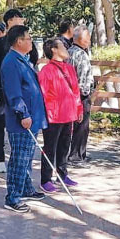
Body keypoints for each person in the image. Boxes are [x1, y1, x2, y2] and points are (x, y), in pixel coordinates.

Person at [0, 9, 39, 173]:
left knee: (22, 122)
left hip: (25, 90)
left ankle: (19, 159)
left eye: (22, 19)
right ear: (9, 21)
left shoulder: (28, 41)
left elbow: (34, 59)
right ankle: (0, 157)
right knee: (0, 121)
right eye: (18, 19)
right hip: (3, 90)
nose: (21, 21)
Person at [1, 25, 47, 213]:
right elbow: (14, 93)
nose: (31, 42)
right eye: (28, 38)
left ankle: (26, 187)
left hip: (32, 117)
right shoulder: (11, 62)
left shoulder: (23, 59)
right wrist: (23, 114)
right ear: (19, 41)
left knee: (27, 156)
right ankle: (12, 197)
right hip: (22, 120)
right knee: (19, 158)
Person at [38, 38, 83, 193]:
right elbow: (42, 95)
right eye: (63, 46)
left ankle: (62, 174)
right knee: (50, 147)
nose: (66, 48)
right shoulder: (46, 70)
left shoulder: (70, 68)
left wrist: (78, 109)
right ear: (54, 50)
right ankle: (45, 179)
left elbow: (75, 90)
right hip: (53, 115)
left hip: (68, 113)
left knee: (64, 146)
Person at [67, 25, 93, 167]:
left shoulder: (68, 51)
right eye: (87, 37)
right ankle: (76, 156)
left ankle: (78, 153)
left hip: (69, 94)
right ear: (81, 39)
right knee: (82, 125)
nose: (89, 40)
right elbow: (82, 78)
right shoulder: (81, 55)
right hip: (80, 95)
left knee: (74, 125)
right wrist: (85, 94)